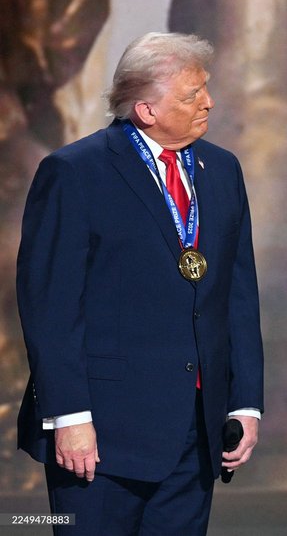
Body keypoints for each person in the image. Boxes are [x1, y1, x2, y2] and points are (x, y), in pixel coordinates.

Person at [16, 32, 264, 535]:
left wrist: (245, 402)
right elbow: (51, 307)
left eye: (205, 90)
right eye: (192, 95)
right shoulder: (74, 172)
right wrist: (69, 417)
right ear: (147, 110)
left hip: (196, 433)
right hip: (101, 437)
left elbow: (238, 294)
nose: (208, 102)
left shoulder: (222, 170)